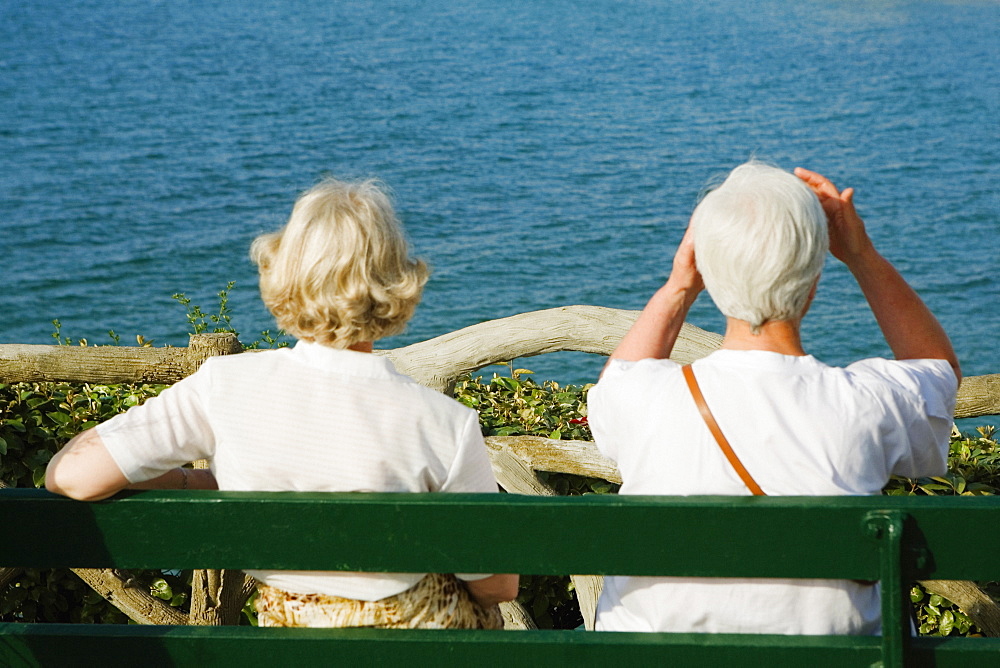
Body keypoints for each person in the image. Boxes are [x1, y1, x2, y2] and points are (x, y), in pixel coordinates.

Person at [45, 177, 518, 628]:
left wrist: (202, 481)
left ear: (284, 273)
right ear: (396, 283)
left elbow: (70, 477)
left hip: (287, 636)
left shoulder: (223, 386)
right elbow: (497, 585)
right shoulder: (445, 423)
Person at [588, 162, 960, 635]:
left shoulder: (642, 399)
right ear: (812, 284)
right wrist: (862, 255)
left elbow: (619, 377)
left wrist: (678, 286)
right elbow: (938, 369)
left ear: (705, 270)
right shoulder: (867, 404)